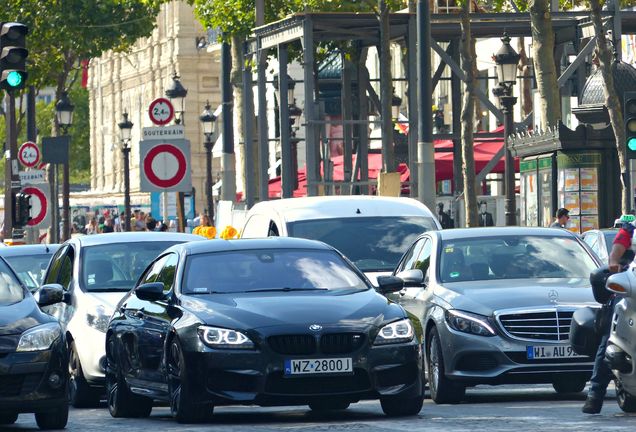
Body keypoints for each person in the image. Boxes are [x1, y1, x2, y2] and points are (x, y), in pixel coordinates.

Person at [582, 214, 635, 414]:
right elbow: (617, 249)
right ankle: (595, 394)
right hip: (631, 292)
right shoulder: (630, 230)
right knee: (610, 340)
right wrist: (614, 262)